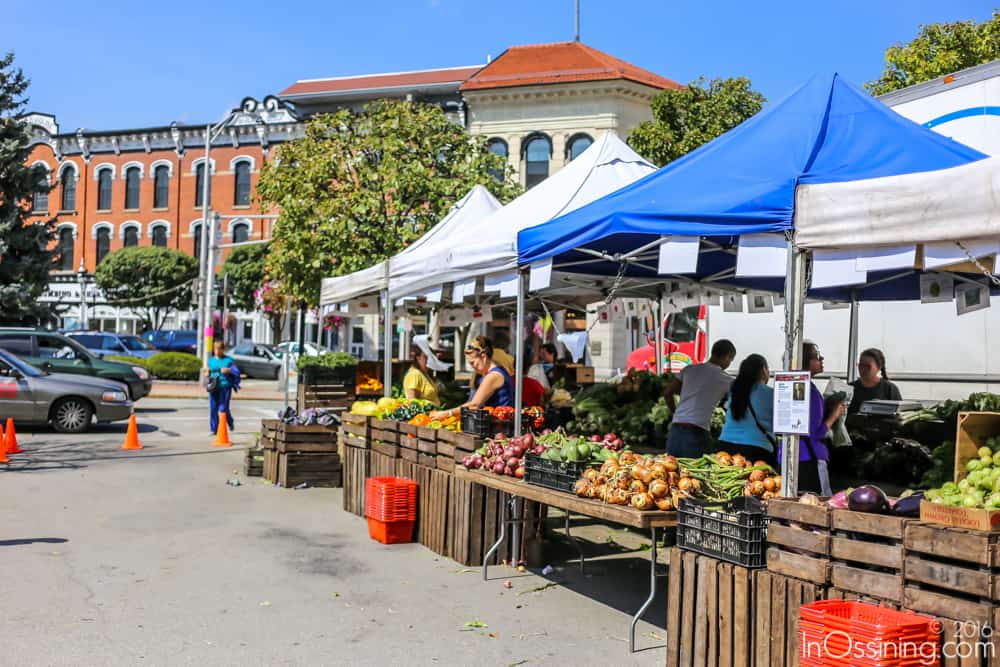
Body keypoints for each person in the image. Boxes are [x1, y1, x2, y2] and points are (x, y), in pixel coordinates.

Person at [664, 339, 737, 458]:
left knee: (672, 470)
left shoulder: (689, 369)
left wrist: (675, 412)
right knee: (695, 473)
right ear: (727, 357)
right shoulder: (725, 379)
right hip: (696, 431)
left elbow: (668, 393)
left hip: (675, 429)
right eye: (730, 360)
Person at [794, 342, 846, 494]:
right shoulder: (809, 391)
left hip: (790, 457)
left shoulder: (795, 385)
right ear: (805, 361)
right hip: (809, 459)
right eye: (817, 356)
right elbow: (816, 432)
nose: (821, 358)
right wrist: (834, 415)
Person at [430, 336, 513, 420]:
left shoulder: (493, 375)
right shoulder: (491, 372)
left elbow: (474, 405)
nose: (472, 367)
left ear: (483, 356)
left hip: (500, 425)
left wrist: (447, 413)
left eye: (473, 363)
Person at [718, 354, 777, 466]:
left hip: (725, 446)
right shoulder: (770, 394)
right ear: (764, 370)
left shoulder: (733, 389)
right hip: (757, 449)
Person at [848, 348, 902, 414]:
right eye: (861, 365)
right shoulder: (849, 388)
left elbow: (899, 414)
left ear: (879, 367)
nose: (863, 369)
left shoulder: (889, 389)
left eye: (868, 366)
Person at [204, 340, 240, 435]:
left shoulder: (228, 360)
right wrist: (207, 373)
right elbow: (208, 370)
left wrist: (228, 370)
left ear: (223, 350)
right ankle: (214, 429)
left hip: (225, 387)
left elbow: (235, 371)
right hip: (214, 387)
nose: (217, 351)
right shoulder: (211, 361)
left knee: (223, 408)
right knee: (213, 408)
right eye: (215, 349)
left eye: (219, 349)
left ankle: (230, 422)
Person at [402, 336, 449, 405]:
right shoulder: (414, 374)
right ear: (418, 358)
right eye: (426, 357)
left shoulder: (425, 373)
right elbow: (412, 401)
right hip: (423, 415)